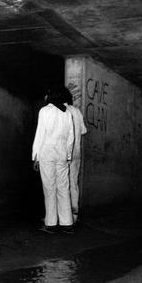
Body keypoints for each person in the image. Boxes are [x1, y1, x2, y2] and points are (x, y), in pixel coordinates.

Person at [32, 89, 75, 234]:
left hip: (47, 153)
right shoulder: (67, 113)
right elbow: (71, 137)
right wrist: (68, 155)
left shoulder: (45, 111)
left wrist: (35, 156)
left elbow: (40, 134)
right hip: (62, 154)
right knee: (63, 187)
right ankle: (67, 223)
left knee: (49, 188)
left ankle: (51, 223)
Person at [61, 87, 88, 224]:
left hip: (63, 153)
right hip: (76, 153)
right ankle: (74, 214)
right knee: (73, 183)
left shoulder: (59, 111)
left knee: (61, 184)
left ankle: (63, 216)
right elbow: (83, 131)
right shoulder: (77, 111)